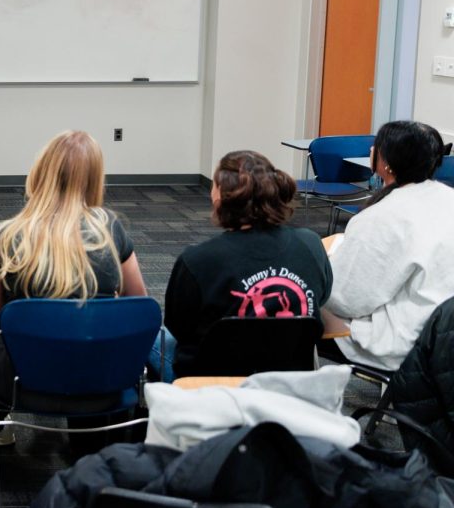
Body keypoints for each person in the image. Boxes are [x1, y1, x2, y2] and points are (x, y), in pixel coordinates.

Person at [0, 131, 148, 402]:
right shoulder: (109, 228)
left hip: (25, 377)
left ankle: (2, 418)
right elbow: (139, 302)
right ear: (94, 179)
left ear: (41, 172)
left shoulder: (5, 236)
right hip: (100, 371)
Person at [164, 150, 332, 379]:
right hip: (290, 388)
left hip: (211, 388)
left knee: (153, 337)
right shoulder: (311, 244)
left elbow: (179, 327)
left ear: (221, 197)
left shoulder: (197, 260)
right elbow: (321, 297)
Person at [322, 120, 454, 370]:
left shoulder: (381, 217)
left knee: (304, 306)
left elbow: (346, 299)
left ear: (385, 163)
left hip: (409, 343)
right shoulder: (448, 197)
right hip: (443, 336)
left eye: (376, 147)